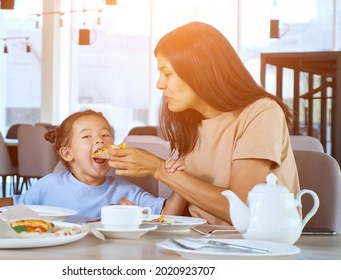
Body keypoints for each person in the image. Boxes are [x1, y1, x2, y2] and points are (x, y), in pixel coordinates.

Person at [108, 21, 300, 225]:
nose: (159, 83)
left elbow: (241, 209)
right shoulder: (190, 122)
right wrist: (144, 216)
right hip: (197, 243)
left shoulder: (261, 112)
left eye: (167, 73)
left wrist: (158, 169)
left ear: (198, 70)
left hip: (252, 248)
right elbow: (188, 208)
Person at [17, 110, 185, 218]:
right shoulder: (49, 185)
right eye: (87, 136)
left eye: (105, 135)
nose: (100, 140)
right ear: (68, 153)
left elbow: (167, 213)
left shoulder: (125, 191)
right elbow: (15, 207)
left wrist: (183, 180)